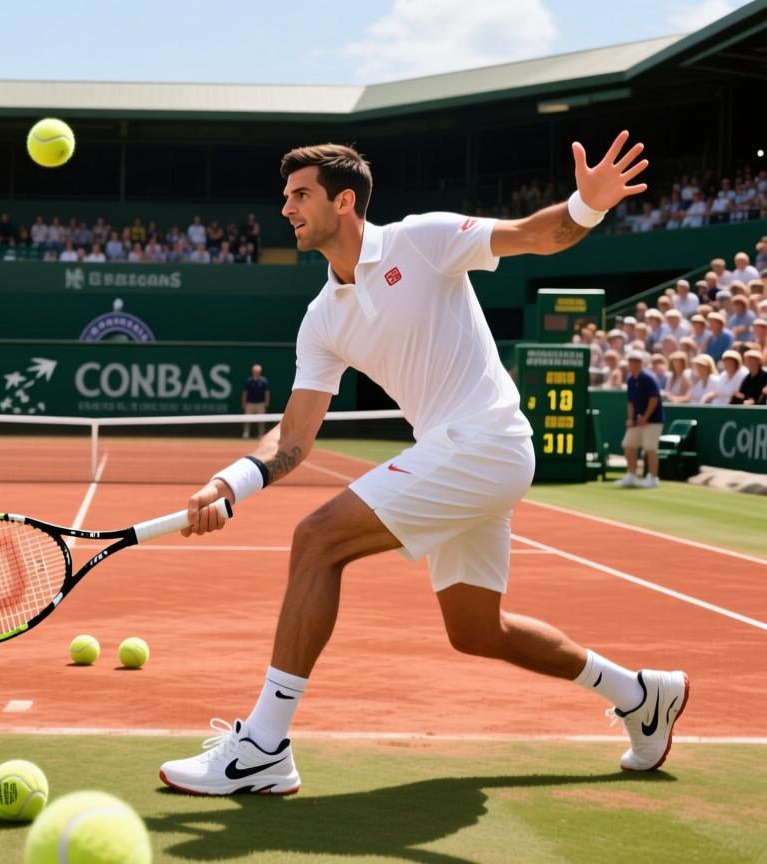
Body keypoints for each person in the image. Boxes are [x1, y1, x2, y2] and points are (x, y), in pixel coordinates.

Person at [159, 131, 687, 798]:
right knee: (477, 630)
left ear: (344, 200)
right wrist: (227, 483)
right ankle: (642, 695)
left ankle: (264, 746)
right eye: (285, 197)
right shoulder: (322, 318)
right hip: (454, 454)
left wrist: (586, 208)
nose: (286, 209)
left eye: (300, 195)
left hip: (486, 439)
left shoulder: (423, 239)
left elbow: (534, 235)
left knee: (316, 540)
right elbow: (293, 437)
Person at [616, 351, 663, 489]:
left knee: (650, 448)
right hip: (637, 421)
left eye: (635, 361)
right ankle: (631, 475)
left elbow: (653, 400)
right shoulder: (630, 380)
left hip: (653, 420)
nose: (632, 363)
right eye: (630, 361)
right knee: (628, 445)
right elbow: (630, 403)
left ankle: (653, 478)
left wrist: (646, 417)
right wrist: (631, 419)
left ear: (641, 363)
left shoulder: (648, 378)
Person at [240, 364, 270, 439]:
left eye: (258, 371)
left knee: (262, 421)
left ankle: (261, 435)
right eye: (255, 371)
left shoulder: (264, 381)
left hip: (260, 404)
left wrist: (266, 403)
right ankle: (246, 433)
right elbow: (245, 393)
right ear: (252, 372)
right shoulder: (248, 381)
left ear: (260, 372)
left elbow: (266, 393)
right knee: (247, 420)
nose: (256, 372)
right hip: (250, 404)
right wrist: (244, 403)